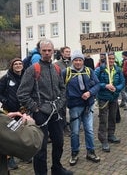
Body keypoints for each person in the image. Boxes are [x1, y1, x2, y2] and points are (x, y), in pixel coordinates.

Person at [17, 39, 73, 175]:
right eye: (44, 50)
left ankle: (57, 169)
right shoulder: (32, 70)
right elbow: (22, 94)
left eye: (49, 50)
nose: (47, 53)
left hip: (56, 112)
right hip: (40, 114)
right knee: (40, 149)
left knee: (59, 143)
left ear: (54, 51)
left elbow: (62, 88)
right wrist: (35, 108)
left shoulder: (57, 68)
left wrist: (60, 104)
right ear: (40, 51)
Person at [62, 50, 100, 166]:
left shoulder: (89, 71)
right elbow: (60, 88)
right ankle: (74, 153)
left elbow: (98, 84)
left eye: (80, 60)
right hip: (75, 106)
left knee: (89, 130)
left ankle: (90, 151)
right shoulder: (66, 72)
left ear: (83, 61)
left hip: (88, 105)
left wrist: (90, 93)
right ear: (72, 61)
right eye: (76, 60)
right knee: (75, 131)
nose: (78, 62)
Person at [95, 52, 125, 152]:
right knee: (103, 119)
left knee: (112, 117)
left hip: (114, 97)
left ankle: (111, 134)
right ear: (106, 60)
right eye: (109, 59)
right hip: (103, 98)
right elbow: (95, 82)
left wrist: (116, 88)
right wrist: (105, 85)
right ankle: (103, 140)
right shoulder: (100, 69)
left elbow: (122, 82)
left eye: (112, 59)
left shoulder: (118, 69)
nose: (111, 61)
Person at [0, 58, 24, 171]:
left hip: (23, 110)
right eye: (16, 64)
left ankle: (23, 154)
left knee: (22, 133)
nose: (18, 65)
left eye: (20, 63)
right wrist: (5, 101)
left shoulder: (25, 76)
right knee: (10, 135)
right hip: (9, 111)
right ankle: (10, 159)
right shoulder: (6, 78)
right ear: (12, 66)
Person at [55, 46, 72, 136]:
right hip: (62, 89)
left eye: (69, 51)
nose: (68, 53)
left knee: (73, 107)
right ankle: (64, 127)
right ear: (62, 53)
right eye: (66, 52)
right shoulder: (57, 64)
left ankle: (73, 124)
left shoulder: (73, 62)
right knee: (62, 110)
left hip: (72, 89)